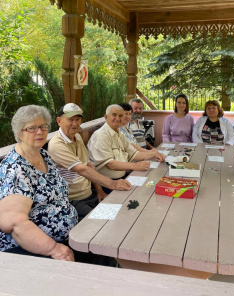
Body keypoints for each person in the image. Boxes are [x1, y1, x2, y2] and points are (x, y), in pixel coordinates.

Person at [0, 105, 77, 260]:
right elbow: (15, 223)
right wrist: (54, 249)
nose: (40, 132)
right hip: (32, 249)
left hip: (66, 235)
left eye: (43, 127)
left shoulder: (42, 153)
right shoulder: (16, 168)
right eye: (32, 128)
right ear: (19, 134)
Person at [48, 103, 131, 221]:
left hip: (89, 193)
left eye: (78, 119)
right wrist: (112, 184)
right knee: (106, 221)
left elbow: (88, 165)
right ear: (59, 121)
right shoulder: (56, 144)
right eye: (70, 119)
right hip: (72, 200)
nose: (75, 123)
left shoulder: (77, 137)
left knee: (123, 208)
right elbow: (81, 169)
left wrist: (99, 190)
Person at [88, 105, 162, 193]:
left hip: (122, 178)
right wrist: (136, 166)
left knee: (150, 186)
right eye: (114, 115)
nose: (117, 118)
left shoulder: (119, 133)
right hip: (107, 184)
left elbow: (134, 154)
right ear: (106, 117)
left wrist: (154, 154)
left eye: (120, 116)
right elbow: (110, 164)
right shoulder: (101, 135)